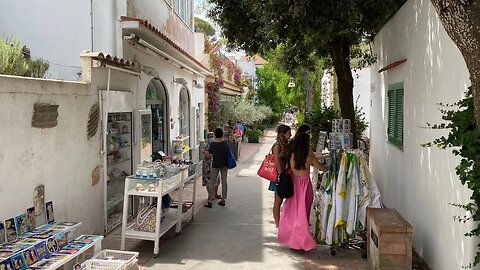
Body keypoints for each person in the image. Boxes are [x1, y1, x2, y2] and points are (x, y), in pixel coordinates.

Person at [278, 133, 328, 251]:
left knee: (293, 213)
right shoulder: (309, 157)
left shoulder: (292, 155)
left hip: (294, 185)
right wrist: (331, 167)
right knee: (303, 213)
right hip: (305, 187)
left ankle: (292, 238)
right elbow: (322, 168)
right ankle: (301, 240)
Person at [269, 124, 292, 228]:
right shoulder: (277, 145)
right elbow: (277, 162)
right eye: (288, 133)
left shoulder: (285, 144)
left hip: (285, 174)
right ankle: (278, 224)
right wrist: (280, 176)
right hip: (280, 176)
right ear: (283, 133)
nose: (290, 135)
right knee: (278, 201)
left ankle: (280, 222)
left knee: (281, 200)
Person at [204, 128, 230, 207]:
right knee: (224, 181)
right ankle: (223, 200)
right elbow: (228, 152)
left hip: (215, 164)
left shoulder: (213, 144)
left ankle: (210, 201)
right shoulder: (225, 143)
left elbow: (210, 155)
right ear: (222, 134)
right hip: (224, 164)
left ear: (215, 134)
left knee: (212, 181)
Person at [202, 132, 221, 199]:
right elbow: (207, 156)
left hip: (215, 164)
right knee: (208, 180)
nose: (211, 138)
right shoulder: (206, 145)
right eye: (210, 137)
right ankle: (210, 195)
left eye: (212, 136)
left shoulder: (216, 144)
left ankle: (215, 194)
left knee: (217, 180)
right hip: (207, 166)